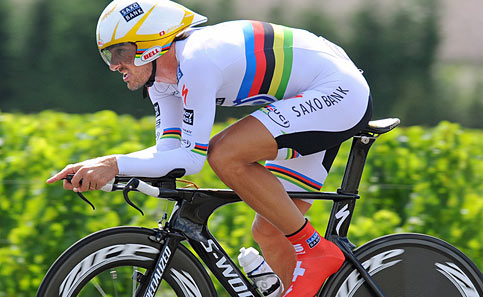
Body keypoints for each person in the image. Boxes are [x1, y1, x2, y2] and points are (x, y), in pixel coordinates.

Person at [47, 0, 372, 296]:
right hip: (309, 97)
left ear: (150, 44)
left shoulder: (197, 61)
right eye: (108, 56)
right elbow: (168, 154)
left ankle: (315, 249)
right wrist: (108, 166)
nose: (114, 66)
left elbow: (192, 159)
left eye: (119, 54)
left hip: (336, 93)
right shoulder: (162, 82)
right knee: (271, 232)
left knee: (224, 154)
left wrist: (115, 164)